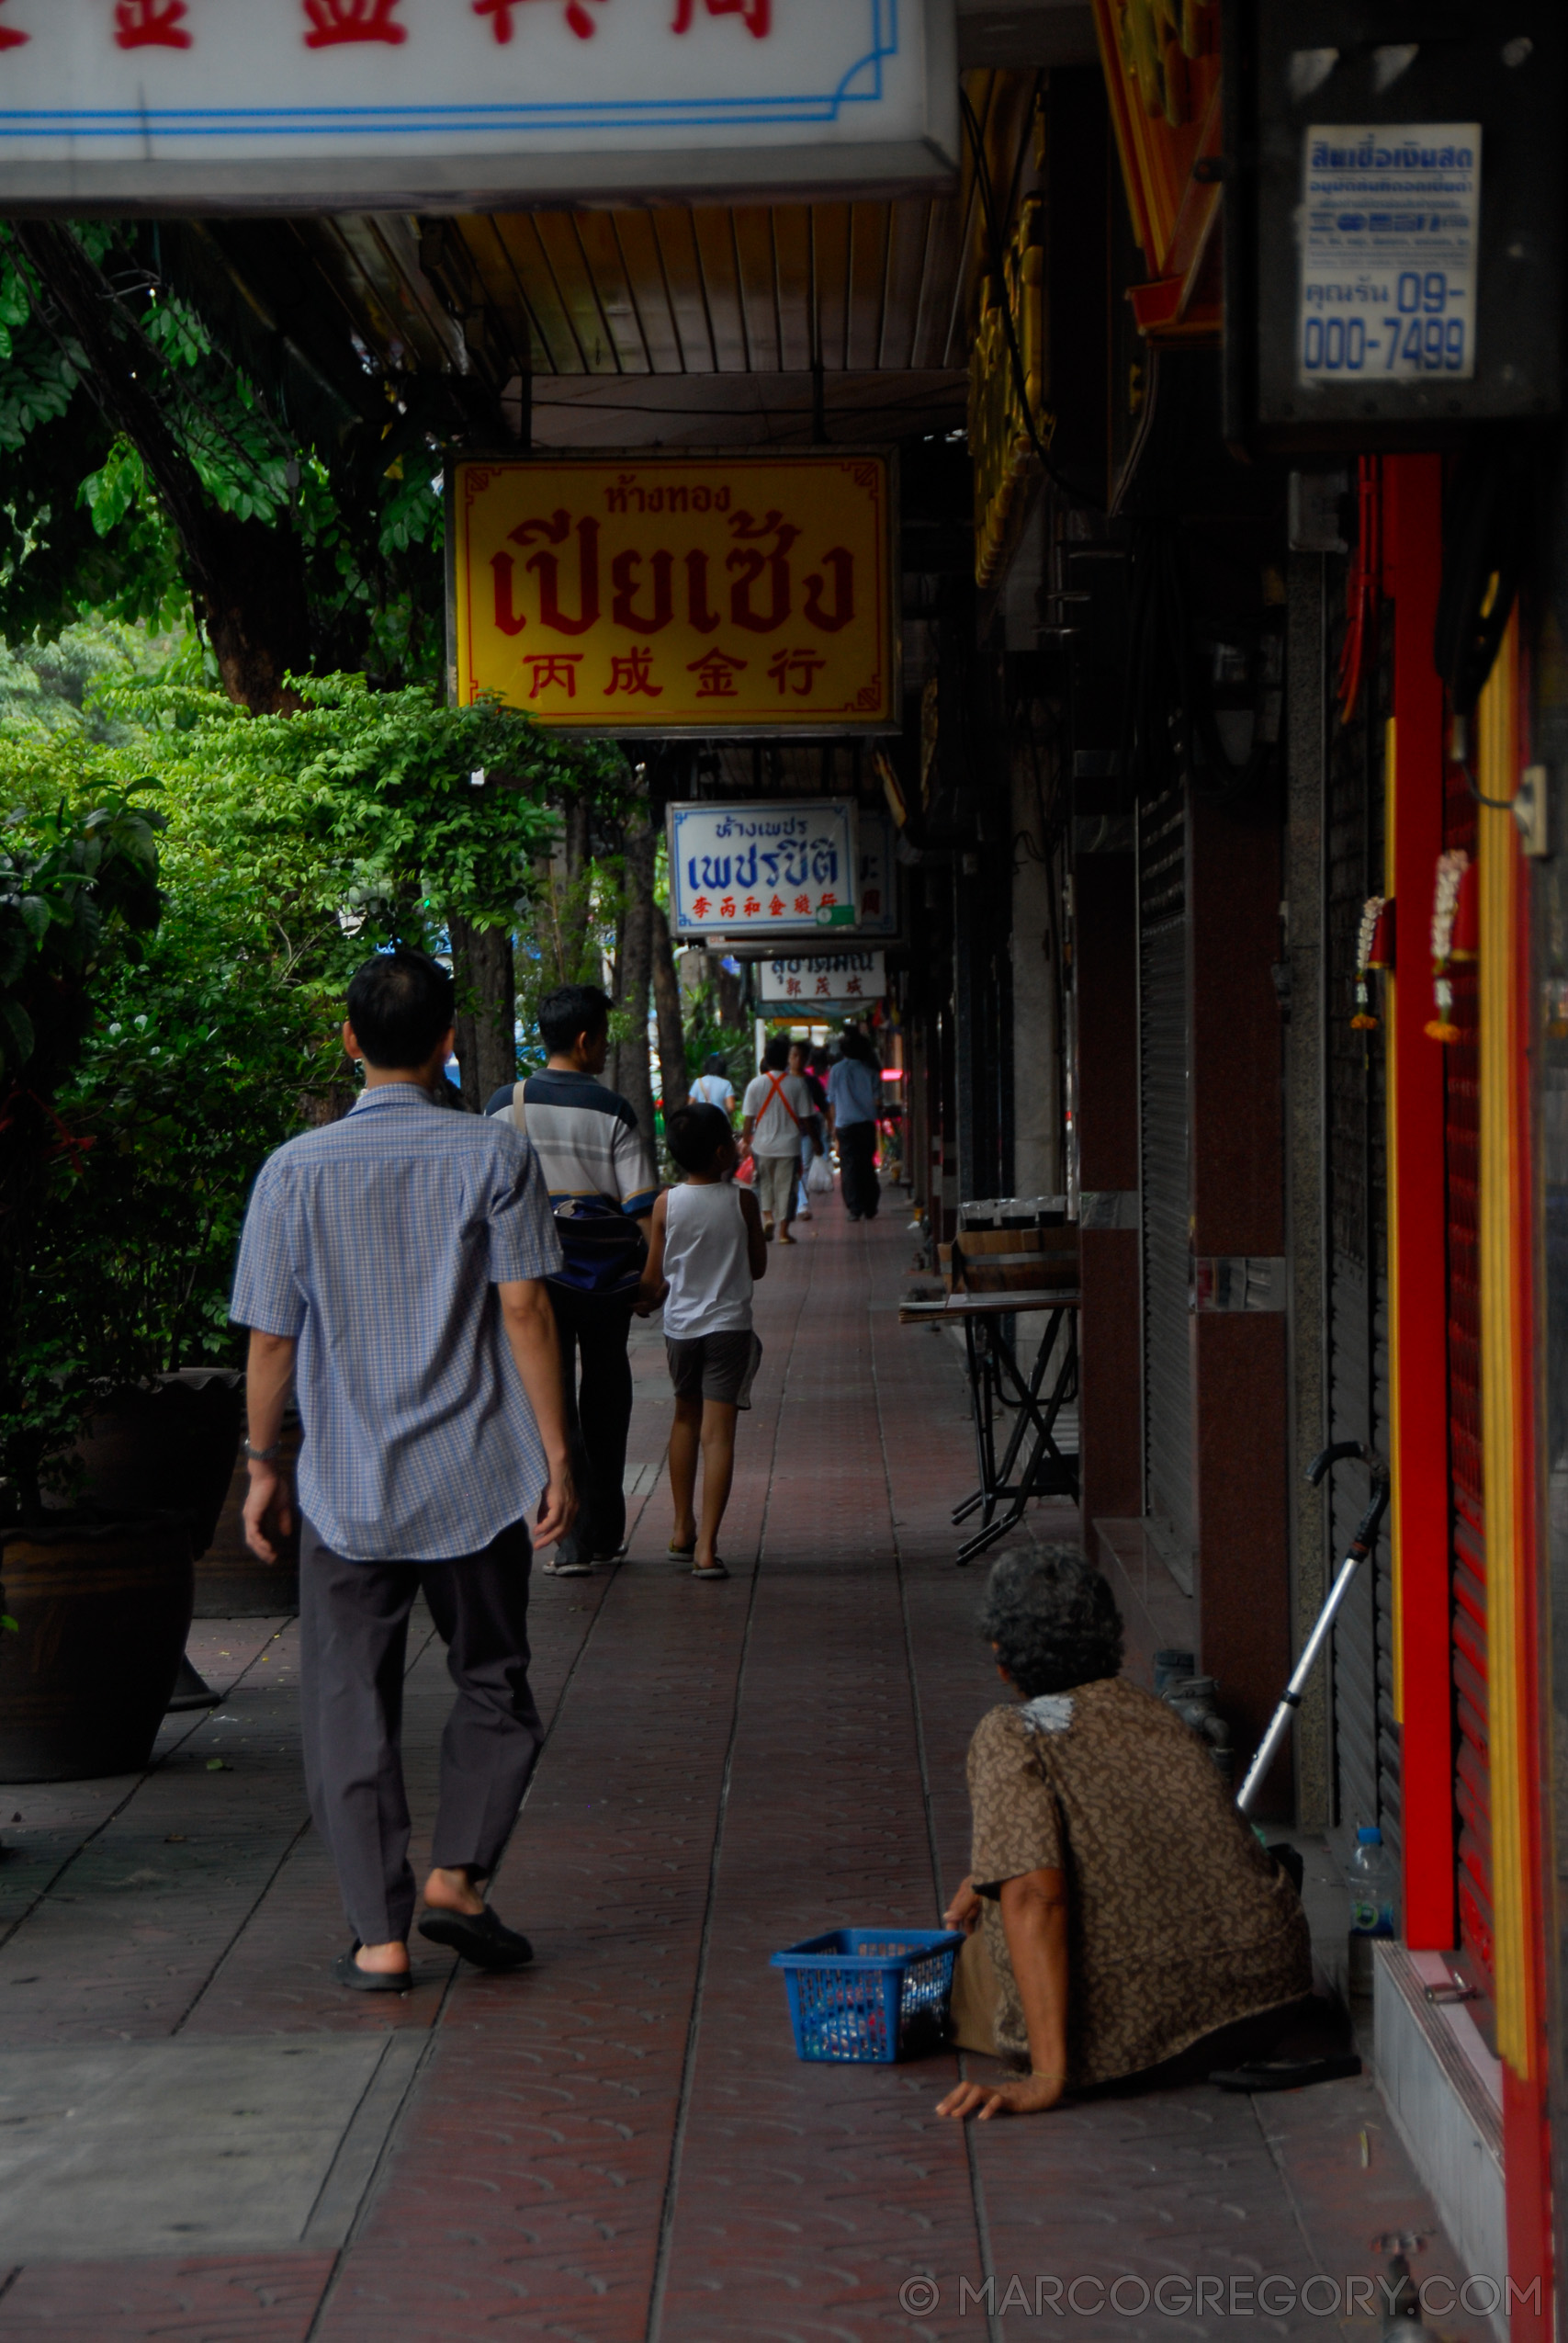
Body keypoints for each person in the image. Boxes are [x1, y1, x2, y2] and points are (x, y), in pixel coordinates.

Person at [232, 949, 575, 1992]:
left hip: (346, 1486)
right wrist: (558, 1455)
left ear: (348, 1041)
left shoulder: (294, 1168)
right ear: (447, 1045)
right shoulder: (493, 1155)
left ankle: (378, 1938)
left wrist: (261, 1466)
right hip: (474, 1474)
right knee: (494, 1684)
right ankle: (457, 1876)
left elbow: (274, 1344)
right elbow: (524, 1309)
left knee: (346, 1704)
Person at [936, 1547, 1312, 2119]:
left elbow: (1038, 1894)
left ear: (1002, 1661)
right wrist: (986, 1873)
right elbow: (1131, 1832)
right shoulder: (1151, 1710)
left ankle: (1049, 2051)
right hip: (1270, 1998)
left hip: (1135, 2038)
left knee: (968, 1964)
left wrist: (1046, 2077)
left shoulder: (1007, 1732)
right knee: (998, 1903)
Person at [485, 984, 658, 1579]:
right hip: (606, 1280)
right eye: (604, 1038)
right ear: (585, 1041)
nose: (606, 1049)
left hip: (533, 1279)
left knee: (551, 1405)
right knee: (606, 1396)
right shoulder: (613, 1110)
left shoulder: (503, 1105)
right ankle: (604, 1532)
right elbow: (641, 1207)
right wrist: (650, 1275)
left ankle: (568, 1540)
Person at [636, 1101, 767, 1582]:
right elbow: (758, 1267)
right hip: (729, 1327)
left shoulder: (665, 1204)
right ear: (720, 1153)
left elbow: (654, 1281)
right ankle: (708, 1549)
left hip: (681, 1330)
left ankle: (680, 1528)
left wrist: (641, 1300)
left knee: (685, 1419)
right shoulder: (744, 1201)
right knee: (720, 1435)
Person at [740, 1034, 814, 1245]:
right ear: (786, 1059)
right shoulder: (798, 1084)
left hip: (762, 1145)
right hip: (789, 1146)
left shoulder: (755, 1084)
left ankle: (768, 1218)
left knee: (764, 1184)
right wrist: (816, 1141)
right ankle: (783, 1232)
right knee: (786, 1188)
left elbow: (748, 1118)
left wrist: (746, 1140)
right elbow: (806, 1118)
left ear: (767, 1057)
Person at [827, 1027, 882, 1222]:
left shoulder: (836, 1071)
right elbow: (877, 1102)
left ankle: (854, 1207)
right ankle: (870, 1205)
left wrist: (833, 1128)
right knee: (867, 1164)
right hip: (866, 1124)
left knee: (849, 1167)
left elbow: (832, 1100)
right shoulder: (871, 1071)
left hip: (845, 1125)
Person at [789, 1039, 828, 1221]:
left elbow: (824, 1106)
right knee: (791, 1168)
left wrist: (830, 1127)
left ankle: (802, 1204)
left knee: (804, 1167)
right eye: (794, 1055)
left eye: (801, 1056)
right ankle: (801, 1204)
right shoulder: (783, 1081)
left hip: (807, 1132)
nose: (797, 1059)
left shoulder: (812, 1082)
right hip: (786, 1131)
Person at [688, 1051, 737, 1121]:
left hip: (701, 1122)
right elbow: (731, 1107)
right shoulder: (726, 1084)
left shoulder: (698, 1082)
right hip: (720, 1123)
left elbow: (690, 1104)